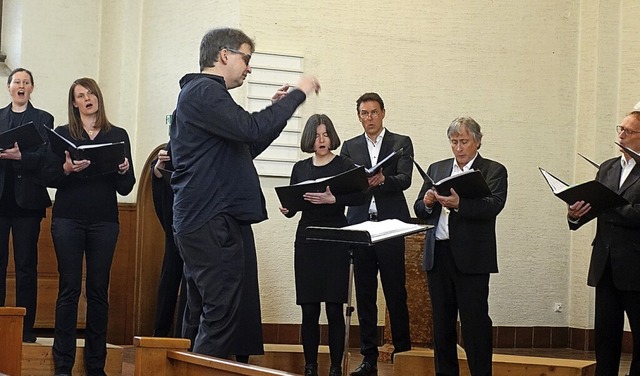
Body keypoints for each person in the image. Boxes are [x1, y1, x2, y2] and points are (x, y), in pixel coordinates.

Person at [169, 27, 320, 360]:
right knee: (221, 314)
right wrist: (299, 93)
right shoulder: (206, 93)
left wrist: (278, 111)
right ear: (225, 55)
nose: (248, 67)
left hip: (203, 218)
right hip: (210, 219)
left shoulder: (202, 95)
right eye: (246, 58)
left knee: (204, 314)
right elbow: (252, 128)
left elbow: (248, 143)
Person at [46, 77, 135, 376]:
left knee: (98, 291)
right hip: (68, 219)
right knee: (69, 290)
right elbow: (48, 177)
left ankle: (96, 366)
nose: (87, 99)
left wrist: (123, 170)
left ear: (98, 97)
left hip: (104, 221)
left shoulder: (118, 134)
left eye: (91, 93)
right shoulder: (62, 134)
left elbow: (126, 187)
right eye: (80, 95)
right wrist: (66, 169)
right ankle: (63, 366)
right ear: (74, 103)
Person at [413, 117, 507, 376]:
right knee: (442, 325)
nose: (458, 148)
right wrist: (429, 201)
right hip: (439, 254)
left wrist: (459, 204)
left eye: (464, 141)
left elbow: (493, 206)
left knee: (475, 324)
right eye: (454, 142)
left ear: (477, 141)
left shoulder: (493, 170)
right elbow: (419, 209)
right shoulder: (438, 168)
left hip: (472, 258)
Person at [279, 114, 365, 376]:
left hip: (335, 238)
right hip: (307, 240)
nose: (322, 140)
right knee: (309, 308)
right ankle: (310, 368)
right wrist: (288, 208)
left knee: (334, 308)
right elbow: (296, 202)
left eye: (326, 134)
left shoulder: (344, 164)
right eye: (316, 135)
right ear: (309, 139)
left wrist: (334, 199)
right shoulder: (301, 168)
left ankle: (336, 368)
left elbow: (361, 195)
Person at [339, 92, 414, 375]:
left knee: (396, 290)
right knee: (365, 293)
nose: (369, 118)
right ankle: (368, 357)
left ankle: (402, 352)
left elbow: (405, 180)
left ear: (383, 113)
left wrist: (384, 179)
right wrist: (361, 181)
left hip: (391, 225)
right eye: (364, 113)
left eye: (374, 112)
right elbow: (347, 186)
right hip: (360, 225)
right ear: (358, 116)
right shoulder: (350, 147)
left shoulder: (401, 143)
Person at [567, 110, 640, 376]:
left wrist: (610, 203)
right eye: (621, 129)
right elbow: (595, 207)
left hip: (635, 264)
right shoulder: (608, 167)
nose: (621, 135)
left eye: (629, 132)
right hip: (604, 263)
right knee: (605, 337)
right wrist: (574, 215)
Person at [0, 68, 54, 343]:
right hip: (1, 201)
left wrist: (21, 156)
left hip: (27, 203)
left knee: (26, 267)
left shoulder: (43, 118)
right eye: (16, 82)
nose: (21, 86)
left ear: (32, 88)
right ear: (9, 87)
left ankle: (26, 330)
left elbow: (46, 156)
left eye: (26, 82)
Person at [150, 142, 186, 338]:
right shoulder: (174, 146)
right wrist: (158, 169)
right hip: (177, 223)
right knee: (170, 276)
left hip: (201, 222)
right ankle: (160, 333)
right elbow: (160, 176)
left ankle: (187, 334)